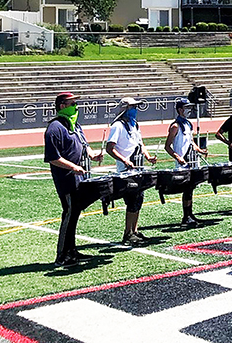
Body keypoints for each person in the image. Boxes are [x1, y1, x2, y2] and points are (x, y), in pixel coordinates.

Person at [44, 92, 104, 267]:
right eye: (72, 103)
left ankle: (72, 251)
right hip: (67, 180)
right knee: (69, 214)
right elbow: (53, 157)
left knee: (75, 214)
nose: (76, 107)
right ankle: (62, 255)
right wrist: (73, 167)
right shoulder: (54, 128)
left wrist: (93, 155)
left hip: (81, 179)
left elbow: (84, 145)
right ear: (62, 106)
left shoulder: (75, 125)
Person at [106, 97, 157, 245]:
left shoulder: (135, 125)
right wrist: (124, 160)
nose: (134, 110)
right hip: (126, 170)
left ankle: (134, 230)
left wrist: (148, 156)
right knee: (132, 201)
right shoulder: (117, 126)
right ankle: (127, 233)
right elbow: (110, 148)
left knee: (138, 200)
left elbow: (140, 144)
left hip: (138, 167)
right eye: (132, 107)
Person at [164, 97, 208, 228]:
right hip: (183, 161)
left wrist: (200, 150)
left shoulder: (188, 124)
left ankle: (190, 213)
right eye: (186, 108)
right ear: (180, 110)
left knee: (192, 188)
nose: (189, 110)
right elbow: (167, 146)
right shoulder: (175, 126)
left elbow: (191, 141)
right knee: (187, 189)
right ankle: (186, 216)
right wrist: (177, 157)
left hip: (192, 159)